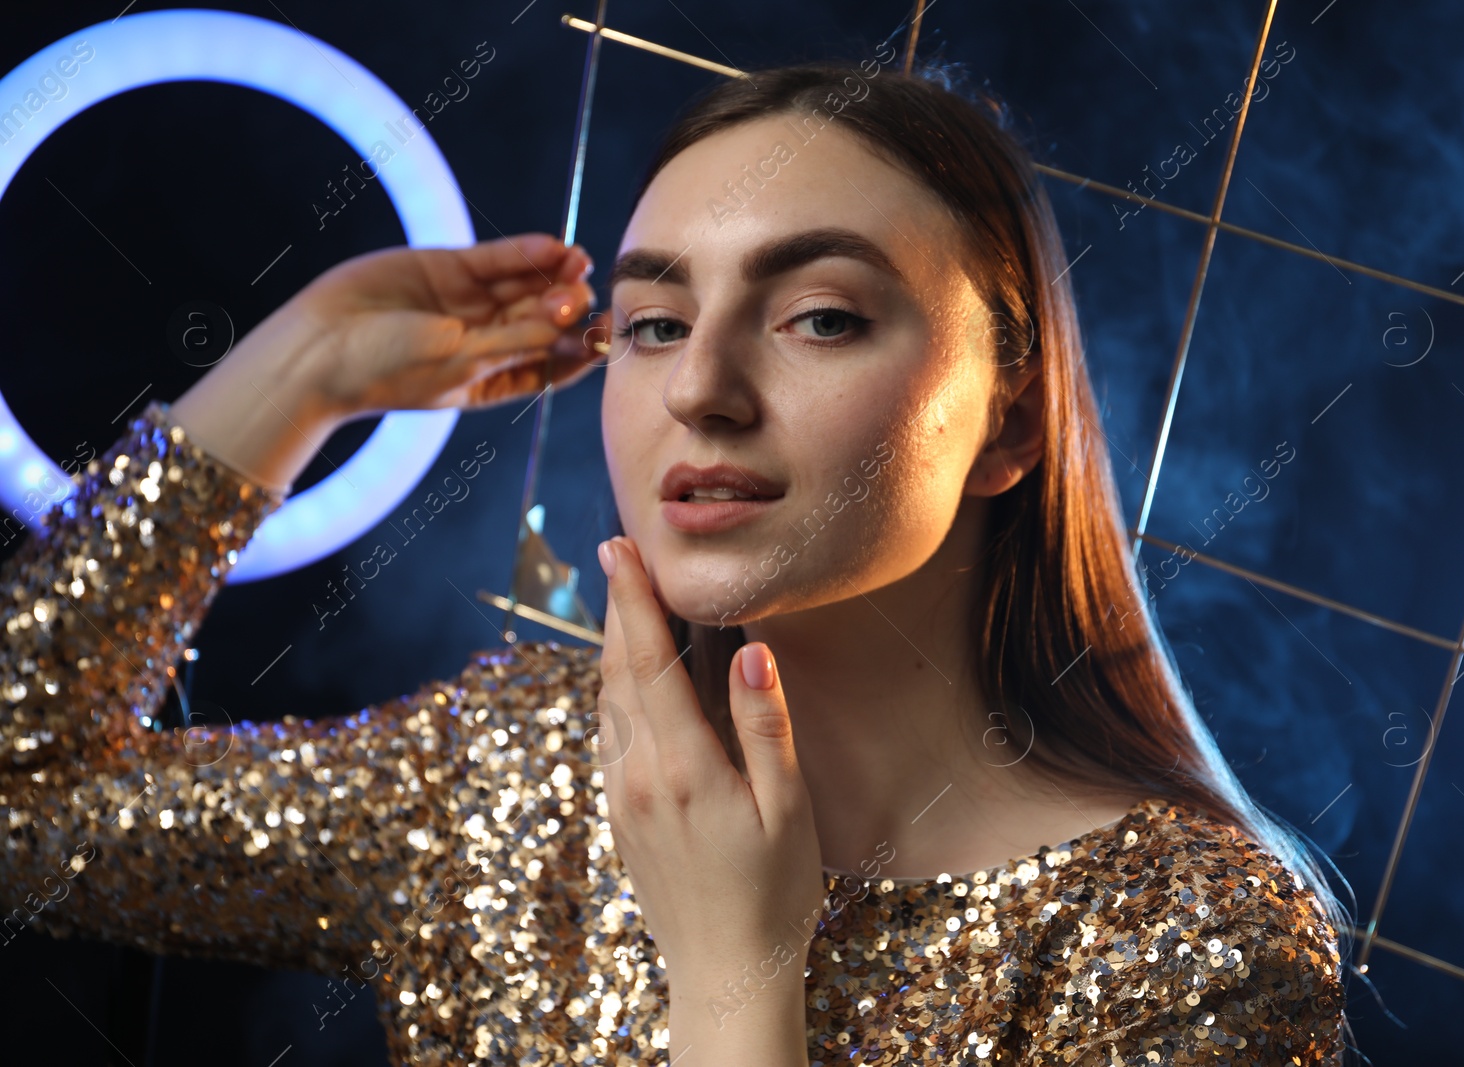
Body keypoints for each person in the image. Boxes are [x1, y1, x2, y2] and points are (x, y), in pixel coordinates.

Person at [0, 56, 1351, 1065]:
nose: (701, 387)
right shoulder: (506, 770)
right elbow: (23, 810)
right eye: (652, 322)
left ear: (1007, 416)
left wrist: (735, 982)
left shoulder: (1187, 950)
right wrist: (303, 367)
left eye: (819, 317)